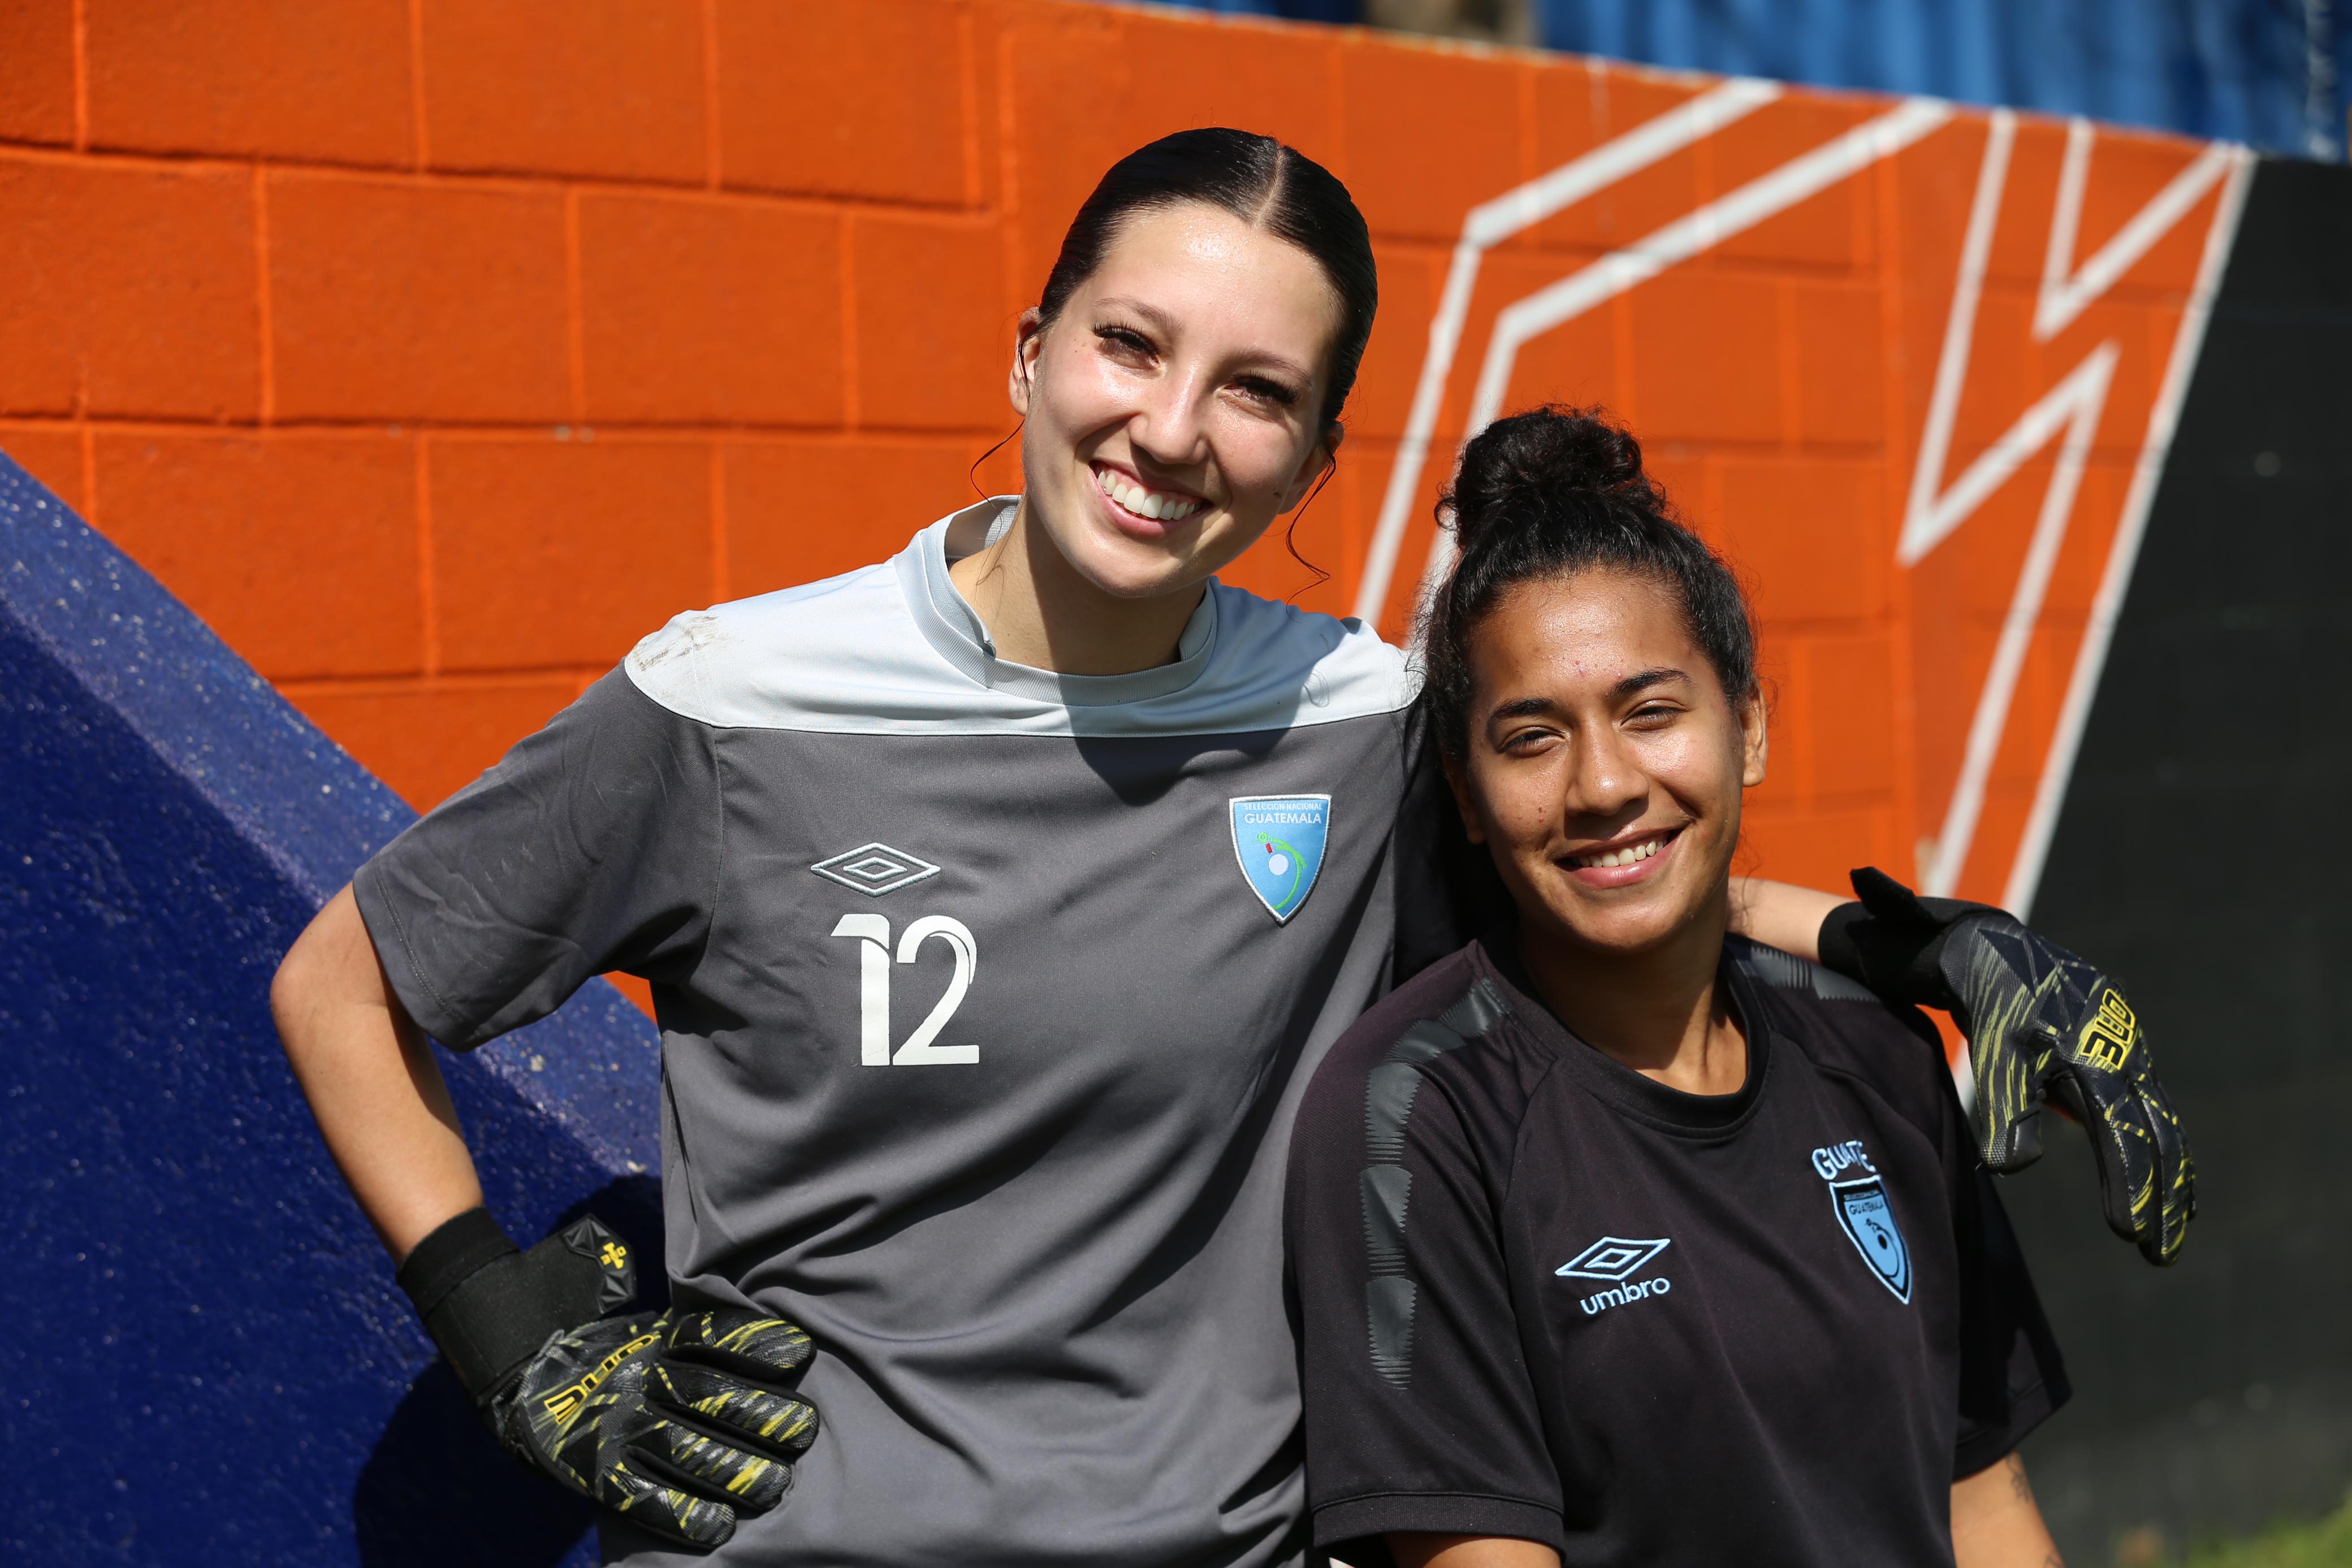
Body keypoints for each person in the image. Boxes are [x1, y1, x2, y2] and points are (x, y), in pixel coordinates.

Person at [270, 131, 2181, 1566]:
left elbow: (1592, 866)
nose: (1170, 429)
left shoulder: (1347, 721)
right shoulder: (734, 701)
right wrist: (505, 1330)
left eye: (1256, 391)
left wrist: (1920, 949)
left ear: (1313, 459)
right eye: (1130, 346)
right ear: (1031, 351)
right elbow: (346, 977)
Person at [1285, 407, 2081, 1568]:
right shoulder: (1412, 1118)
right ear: (1465, 793)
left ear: (1746, 727)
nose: (1603, 782)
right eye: (1529, 737)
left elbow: (1984, 1504)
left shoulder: (1882, 1055)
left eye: (1651, 710)